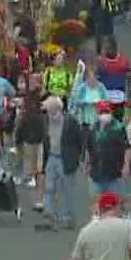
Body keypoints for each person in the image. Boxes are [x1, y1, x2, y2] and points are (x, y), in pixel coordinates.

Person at [37, 95, 85, 232]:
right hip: (51, 158)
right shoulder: (45, 120)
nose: (45, 111)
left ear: (55, 109)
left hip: (66, 159)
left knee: (67, 190)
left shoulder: (70, 121)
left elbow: (80, 140)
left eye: (47, 108)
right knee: (49, 188)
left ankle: (66, 218)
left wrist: (78, 159)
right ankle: (49, 215)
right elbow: (44, 139)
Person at [89, 102, 130, 201]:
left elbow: (127, 148)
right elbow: (90, 147)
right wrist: (88, 163)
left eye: (106, 111)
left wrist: (126, 165)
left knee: (116, 201)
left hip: (114, 173)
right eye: (101, 112)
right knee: (95, 200)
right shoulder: (93, 128)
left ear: (111, 112)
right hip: (96, 172)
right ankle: (96, 216)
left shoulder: (119, 128)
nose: (104, 114)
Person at [71, 64, 109, 130]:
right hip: (84, 120)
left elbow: (107, 101)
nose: (91, 79)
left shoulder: (101, 87)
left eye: (93, 76)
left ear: (97, 77)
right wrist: (83, 103)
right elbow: (76, 101)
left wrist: (99, 103)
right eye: (89, 77)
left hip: (98, 121)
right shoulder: (82, 87)